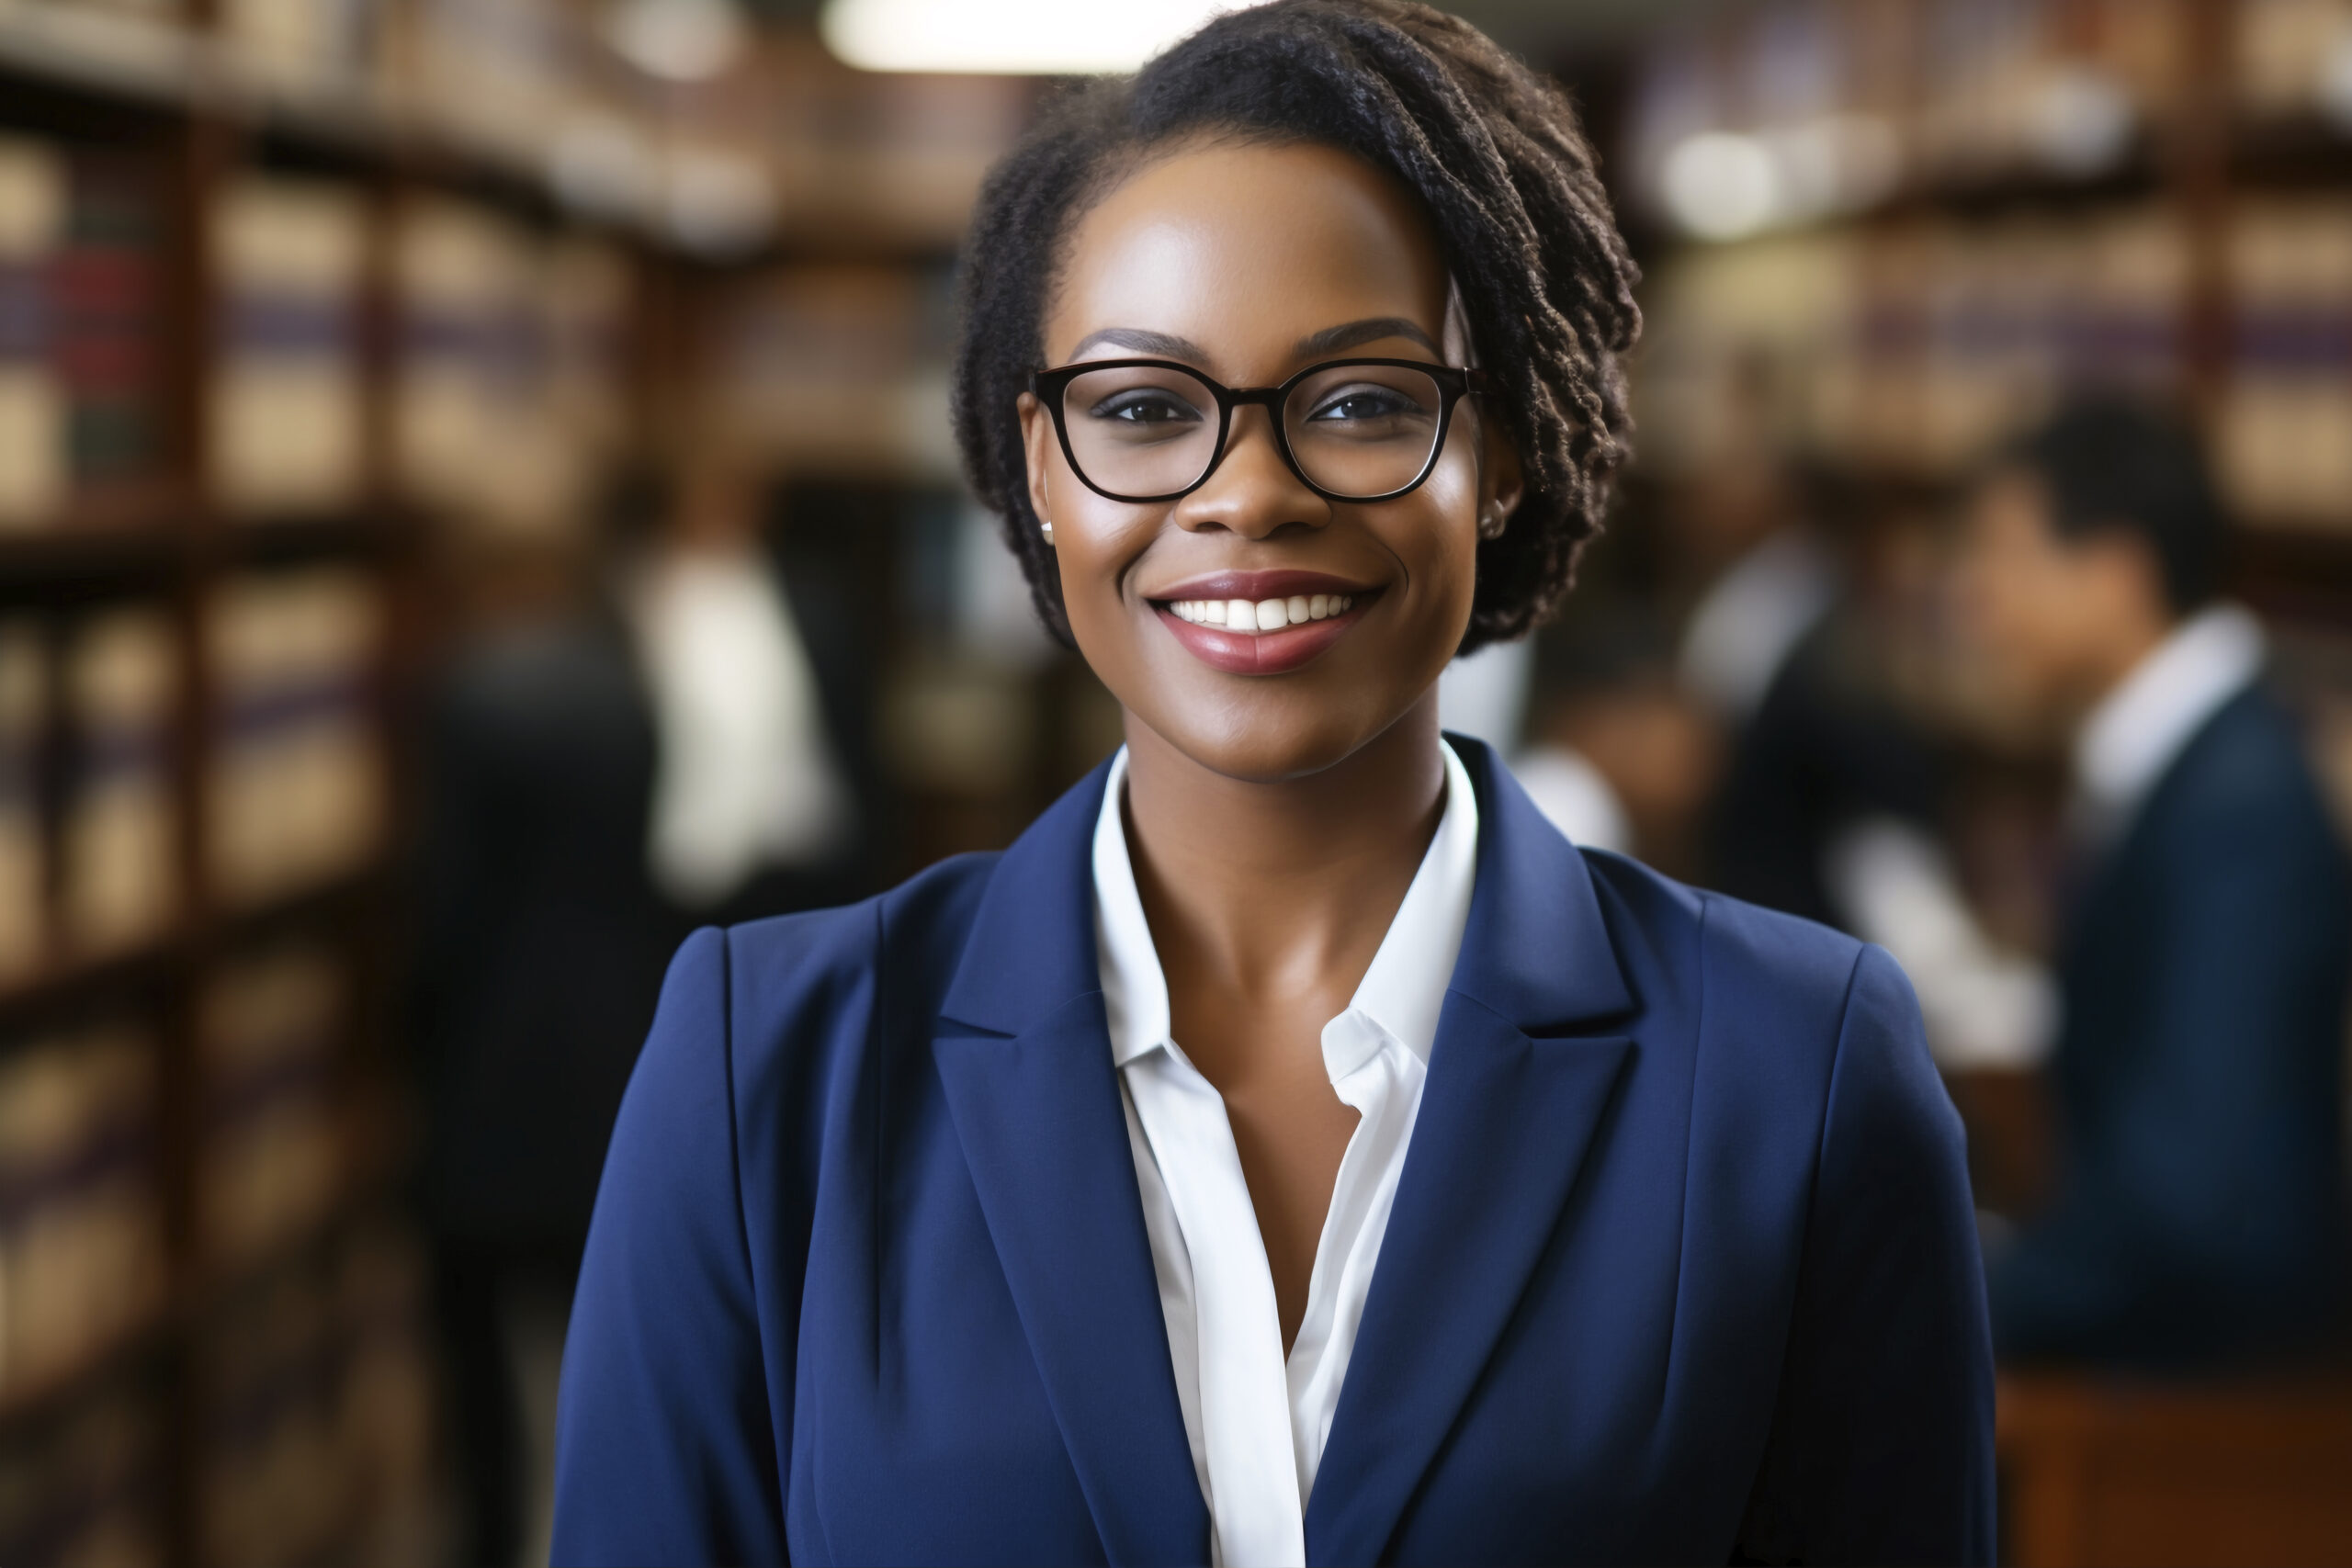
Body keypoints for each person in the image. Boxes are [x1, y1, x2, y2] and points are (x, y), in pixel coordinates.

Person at [551, 4, 1994, 1562]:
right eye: (1144, 409)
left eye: (1364, 401)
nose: (1246, 494)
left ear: (1499, 445)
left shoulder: (1805, 1076)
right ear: (1039, 465)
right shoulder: (764, 1066)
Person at [1962, 396, 2352, 1369]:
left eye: (2005, 557)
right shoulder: (2192, 762)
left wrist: (1970, 1292)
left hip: (2201, 1401)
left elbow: (2195, 1184)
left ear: (2115, 573)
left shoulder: (2235, 806)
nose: (1978, 600)